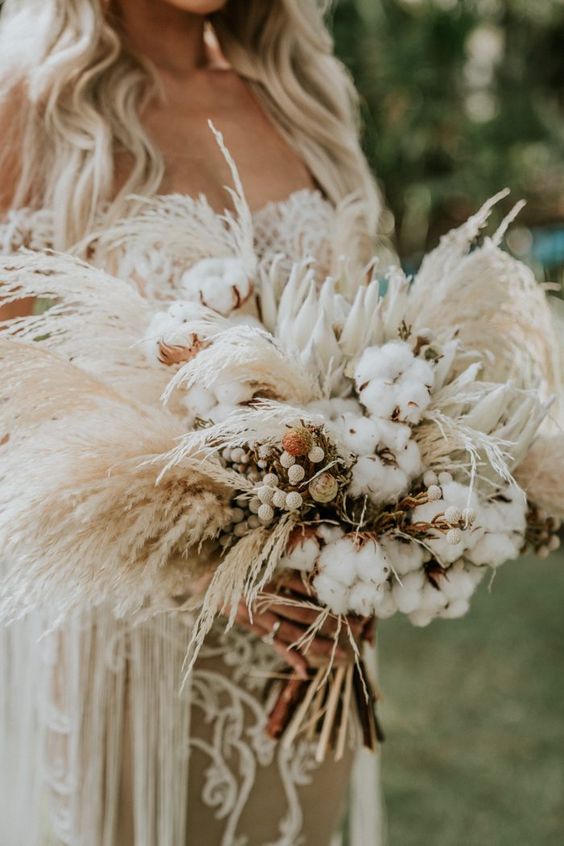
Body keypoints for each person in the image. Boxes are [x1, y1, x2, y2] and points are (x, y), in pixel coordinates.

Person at [0, 1, 383, 844]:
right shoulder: (30, 98)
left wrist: (381, 533)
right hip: (139, 627)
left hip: (314, 629)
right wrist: (198, 560)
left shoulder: (299, 91)